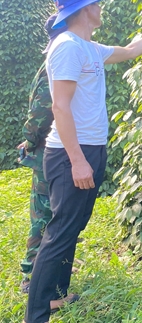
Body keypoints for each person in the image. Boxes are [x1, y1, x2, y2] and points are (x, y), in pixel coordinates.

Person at [25, 0, 142, 323]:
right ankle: (35, 316)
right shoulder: (67, 46)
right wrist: (78, 161)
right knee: (58, 232)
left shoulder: (88, 46)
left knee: (73, 226)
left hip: (91, 148)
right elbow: (60, 108)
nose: (101, 8)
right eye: (96, 4)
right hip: (72, 153)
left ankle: (56, 296)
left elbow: (129, 50)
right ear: (85, 10)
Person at [17, 15, 65, 294]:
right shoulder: (54, 65)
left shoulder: (53, 61)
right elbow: (41, 112)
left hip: (49, 149)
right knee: (45, 214)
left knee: (49, 209)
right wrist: (29, 140)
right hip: (48, 151)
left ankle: (49, 265)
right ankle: (32, 275)